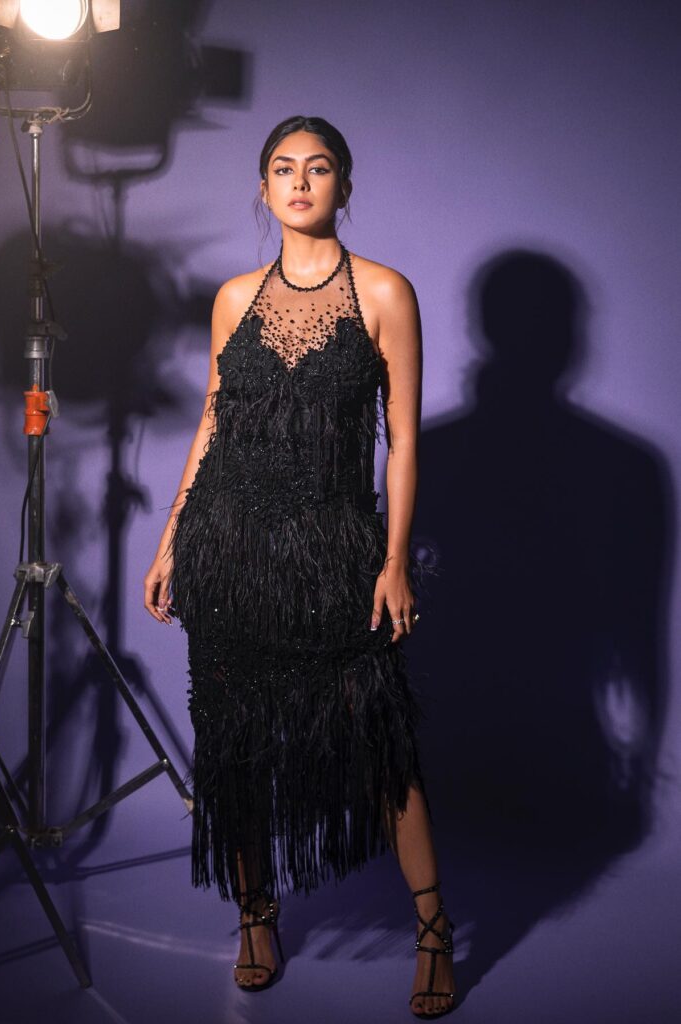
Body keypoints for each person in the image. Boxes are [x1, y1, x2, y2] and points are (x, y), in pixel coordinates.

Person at [144, 115, 456, 1019]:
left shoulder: (386, 293)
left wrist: (394, 561)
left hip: (335, 552)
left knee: (382, 739)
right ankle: (255, 916)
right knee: (235, 743)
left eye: (319, 168)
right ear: (264, 186)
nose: (300, 182)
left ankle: (434, 932)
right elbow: (213, 421)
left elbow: (401, 445)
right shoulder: (236, 297)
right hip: (229, 550)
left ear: (344, 187)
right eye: (283, 168)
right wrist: (172, 539)